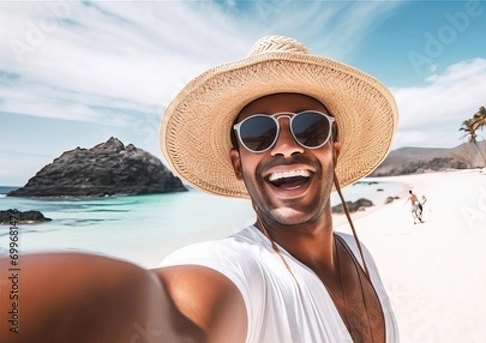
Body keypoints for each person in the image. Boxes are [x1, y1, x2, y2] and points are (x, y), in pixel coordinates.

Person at [0, 36, 399, 342]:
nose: (287, 146)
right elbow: (165, 305)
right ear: (237, 163)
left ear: (335, 149)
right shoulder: (243, 270)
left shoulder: (361, 253)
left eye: (308, 128)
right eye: (258, 134)